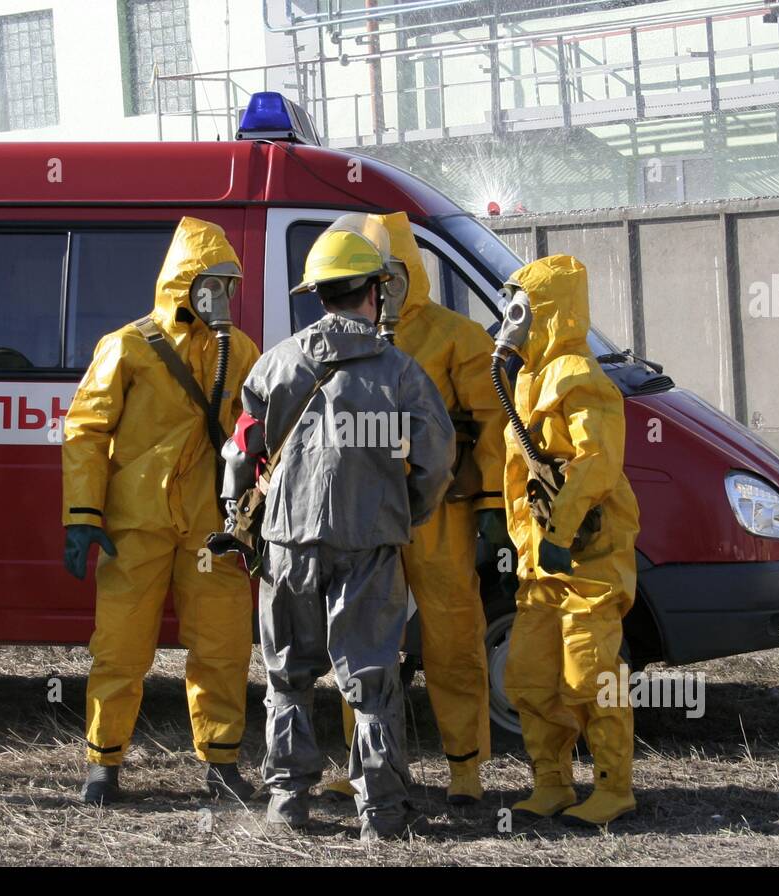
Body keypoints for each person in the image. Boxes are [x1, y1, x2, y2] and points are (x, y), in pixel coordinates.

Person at [221, 215, 454, 840]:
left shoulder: (273, 366)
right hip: (369, 547)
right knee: (372, 683)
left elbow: (241, 451)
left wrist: (237, 511)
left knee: (287, 678)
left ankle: (286, 805)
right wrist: (404, 508)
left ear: (318, 294)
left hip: (287, 546)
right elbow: (435, 459)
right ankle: (380, 814)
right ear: (374, 291)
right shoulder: (401, 372)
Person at [62, 217, 260, 806]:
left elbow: (257, 434)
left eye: (230, 286)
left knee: (222, 646)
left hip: (212, 529)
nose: (223, 298)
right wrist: (82, 515)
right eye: (213, 284)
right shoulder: (127, 347)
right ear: (186, 284)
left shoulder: (241, 351)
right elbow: (86, 431)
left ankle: (222, 764)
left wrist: (252, 515)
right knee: (120, 647)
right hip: (136, 525)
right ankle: (104, 765)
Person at [322, 212, 506, 807]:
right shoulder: (345, 339)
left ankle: (466, 774)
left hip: (438, 512)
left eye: (395, 275)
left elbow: (493, 425)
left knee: (454, 637)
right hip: (369, 512)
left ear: (412, 274)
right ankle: (365, 770)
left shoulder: (458, 337)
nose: (387, 289)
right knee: (361, 639)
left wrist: (491, 506)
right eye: (378, 278)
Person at [491, 254, 641, 826]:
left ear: (545, 313)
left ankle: (613, 786)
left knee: (589, 674)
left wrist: (559, 532)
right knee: (528, 677)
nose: (508, 320)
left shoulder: (578, 374)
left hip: (588, 559)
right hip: (540, 563)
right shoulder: (525, 379)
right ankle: (550, 782)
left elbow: (595, 463)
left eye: (519, 308)